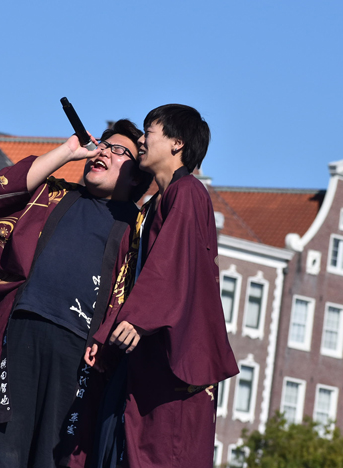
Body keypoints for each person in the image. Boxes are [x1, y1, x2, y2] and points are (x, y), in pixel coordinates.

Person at [0, 119, 152, 468]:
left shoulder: (139, 230)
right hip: (19, 333)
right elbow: (3, 190)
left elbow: (149, 292)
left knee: (55, 456)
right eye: (103, 145)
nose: (104, 152)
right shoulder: (53, 195)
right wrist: (67, 151)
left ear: (137, 176)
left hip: (80, 358)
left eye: (118, 151)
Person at [85, 104, 240, 468]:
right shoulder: (158, 201)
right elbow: (137, 272)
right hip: (143, 350)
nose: (141, 140)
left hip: (171, 355)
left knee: (161, 453)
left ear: (176, 143)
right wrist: (107, 334)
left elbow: (172, 264)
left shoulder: (188, 193)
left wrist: (136, 319)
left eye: (149, 131)